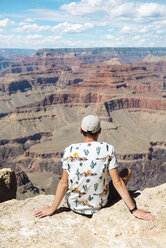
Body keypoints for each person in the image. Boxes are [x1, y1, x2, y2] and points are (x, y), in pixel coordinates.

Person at [35, 115, 155, 221]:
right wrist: (134, 209)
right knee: (126, 172)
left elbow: (63, 184)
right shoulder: (108, 149)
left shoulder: (70, 150)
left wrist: (52, 209)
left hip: (75, 206)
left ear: (81, 131)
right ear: (100, 131)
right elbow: (117, 182)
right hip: (99, 204)